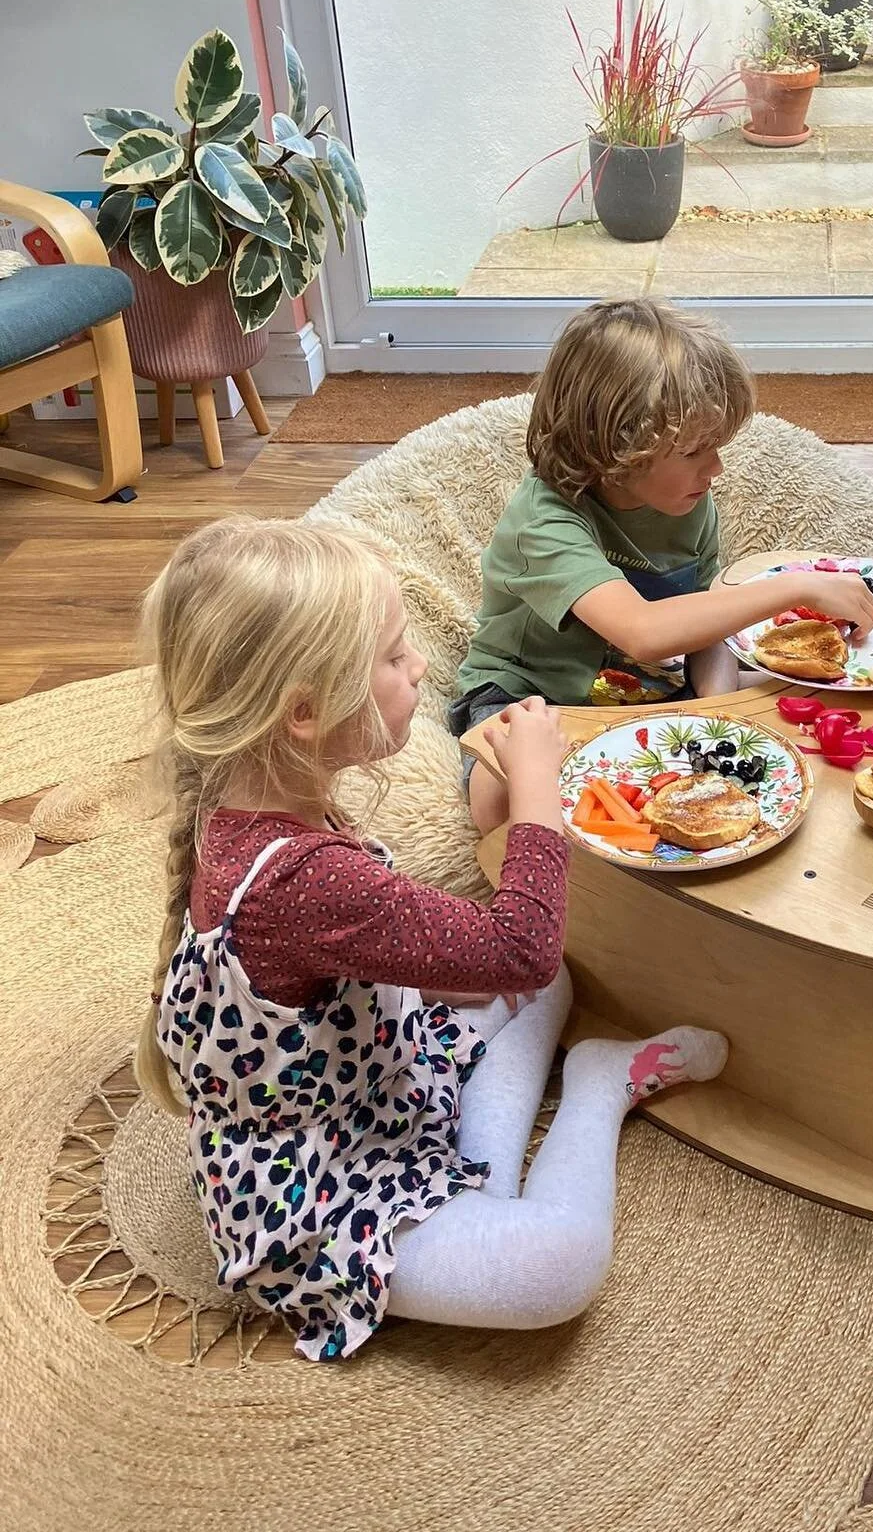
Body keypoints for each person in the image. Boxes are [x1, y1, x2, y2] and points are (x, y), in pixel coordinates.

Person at [135, 517, 728, 1361]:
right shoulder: (307, 880)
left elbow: (415, 965)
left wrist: (444, 982)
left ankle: (475, 1166)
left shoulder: (245, 793)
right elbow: (524, 946)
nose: (420, 667)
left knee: (535, 990)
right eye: (393, 656)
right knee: (555, 1270)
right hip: (319, 1187)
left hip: (368, 1081)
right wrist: (536, 791)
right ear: (302, 713)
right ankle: (597, 1087)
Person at [449, 297, 873, 833]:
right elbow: (644, 633)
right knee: (499, 796)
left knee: (806, 709)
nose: (716, 468)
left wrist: (717, 708)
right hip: (530, 698)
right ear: (615, 445)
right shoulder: (543, 520)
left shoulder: (691, 506)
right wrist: (796, 588)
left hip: (647, 694)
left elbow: (707, 626)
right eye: (697, 450)